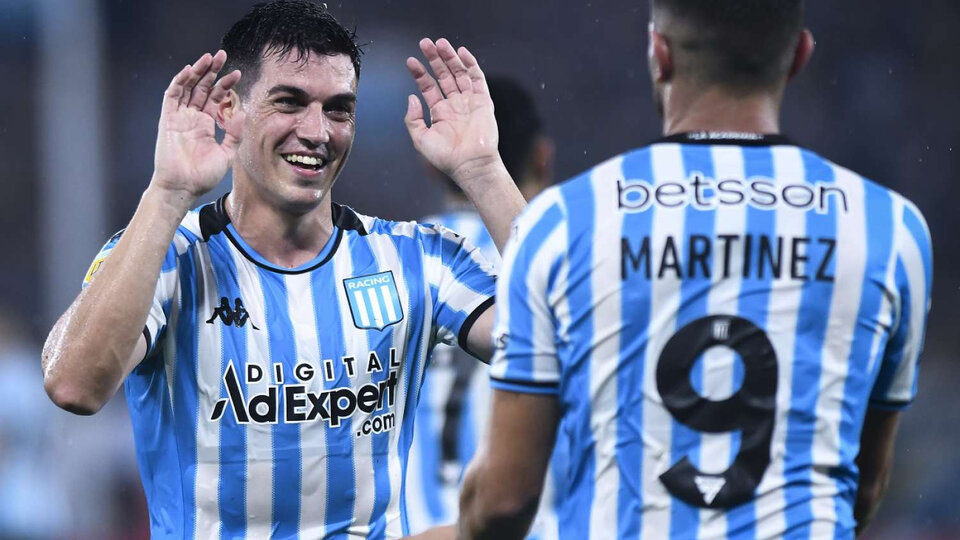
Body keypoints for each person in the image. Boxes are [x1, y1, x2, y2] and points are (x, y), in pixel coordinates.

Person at [41, 1, 525, 538]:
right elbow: (74, 385)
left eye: (338, 110)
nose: (317, 131)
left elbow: (571, 345)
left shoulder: (421, 259)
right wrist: (167, 193)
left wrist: (484, 172)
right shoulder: (165, 257)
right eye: (289, 102)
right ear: (229, 107)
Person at [457, 1, 934, 539]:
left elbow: (505, 501)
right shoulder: (890, 229)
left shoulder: (562, 222)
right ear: (800, 55)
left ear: (659, 54)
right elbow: (864, 486)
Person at [404, 77, 557, 538]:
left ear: (430, 162)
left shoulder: (388, 261)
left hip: (407, 527)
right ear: (542, 156)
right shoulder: (568, 269)